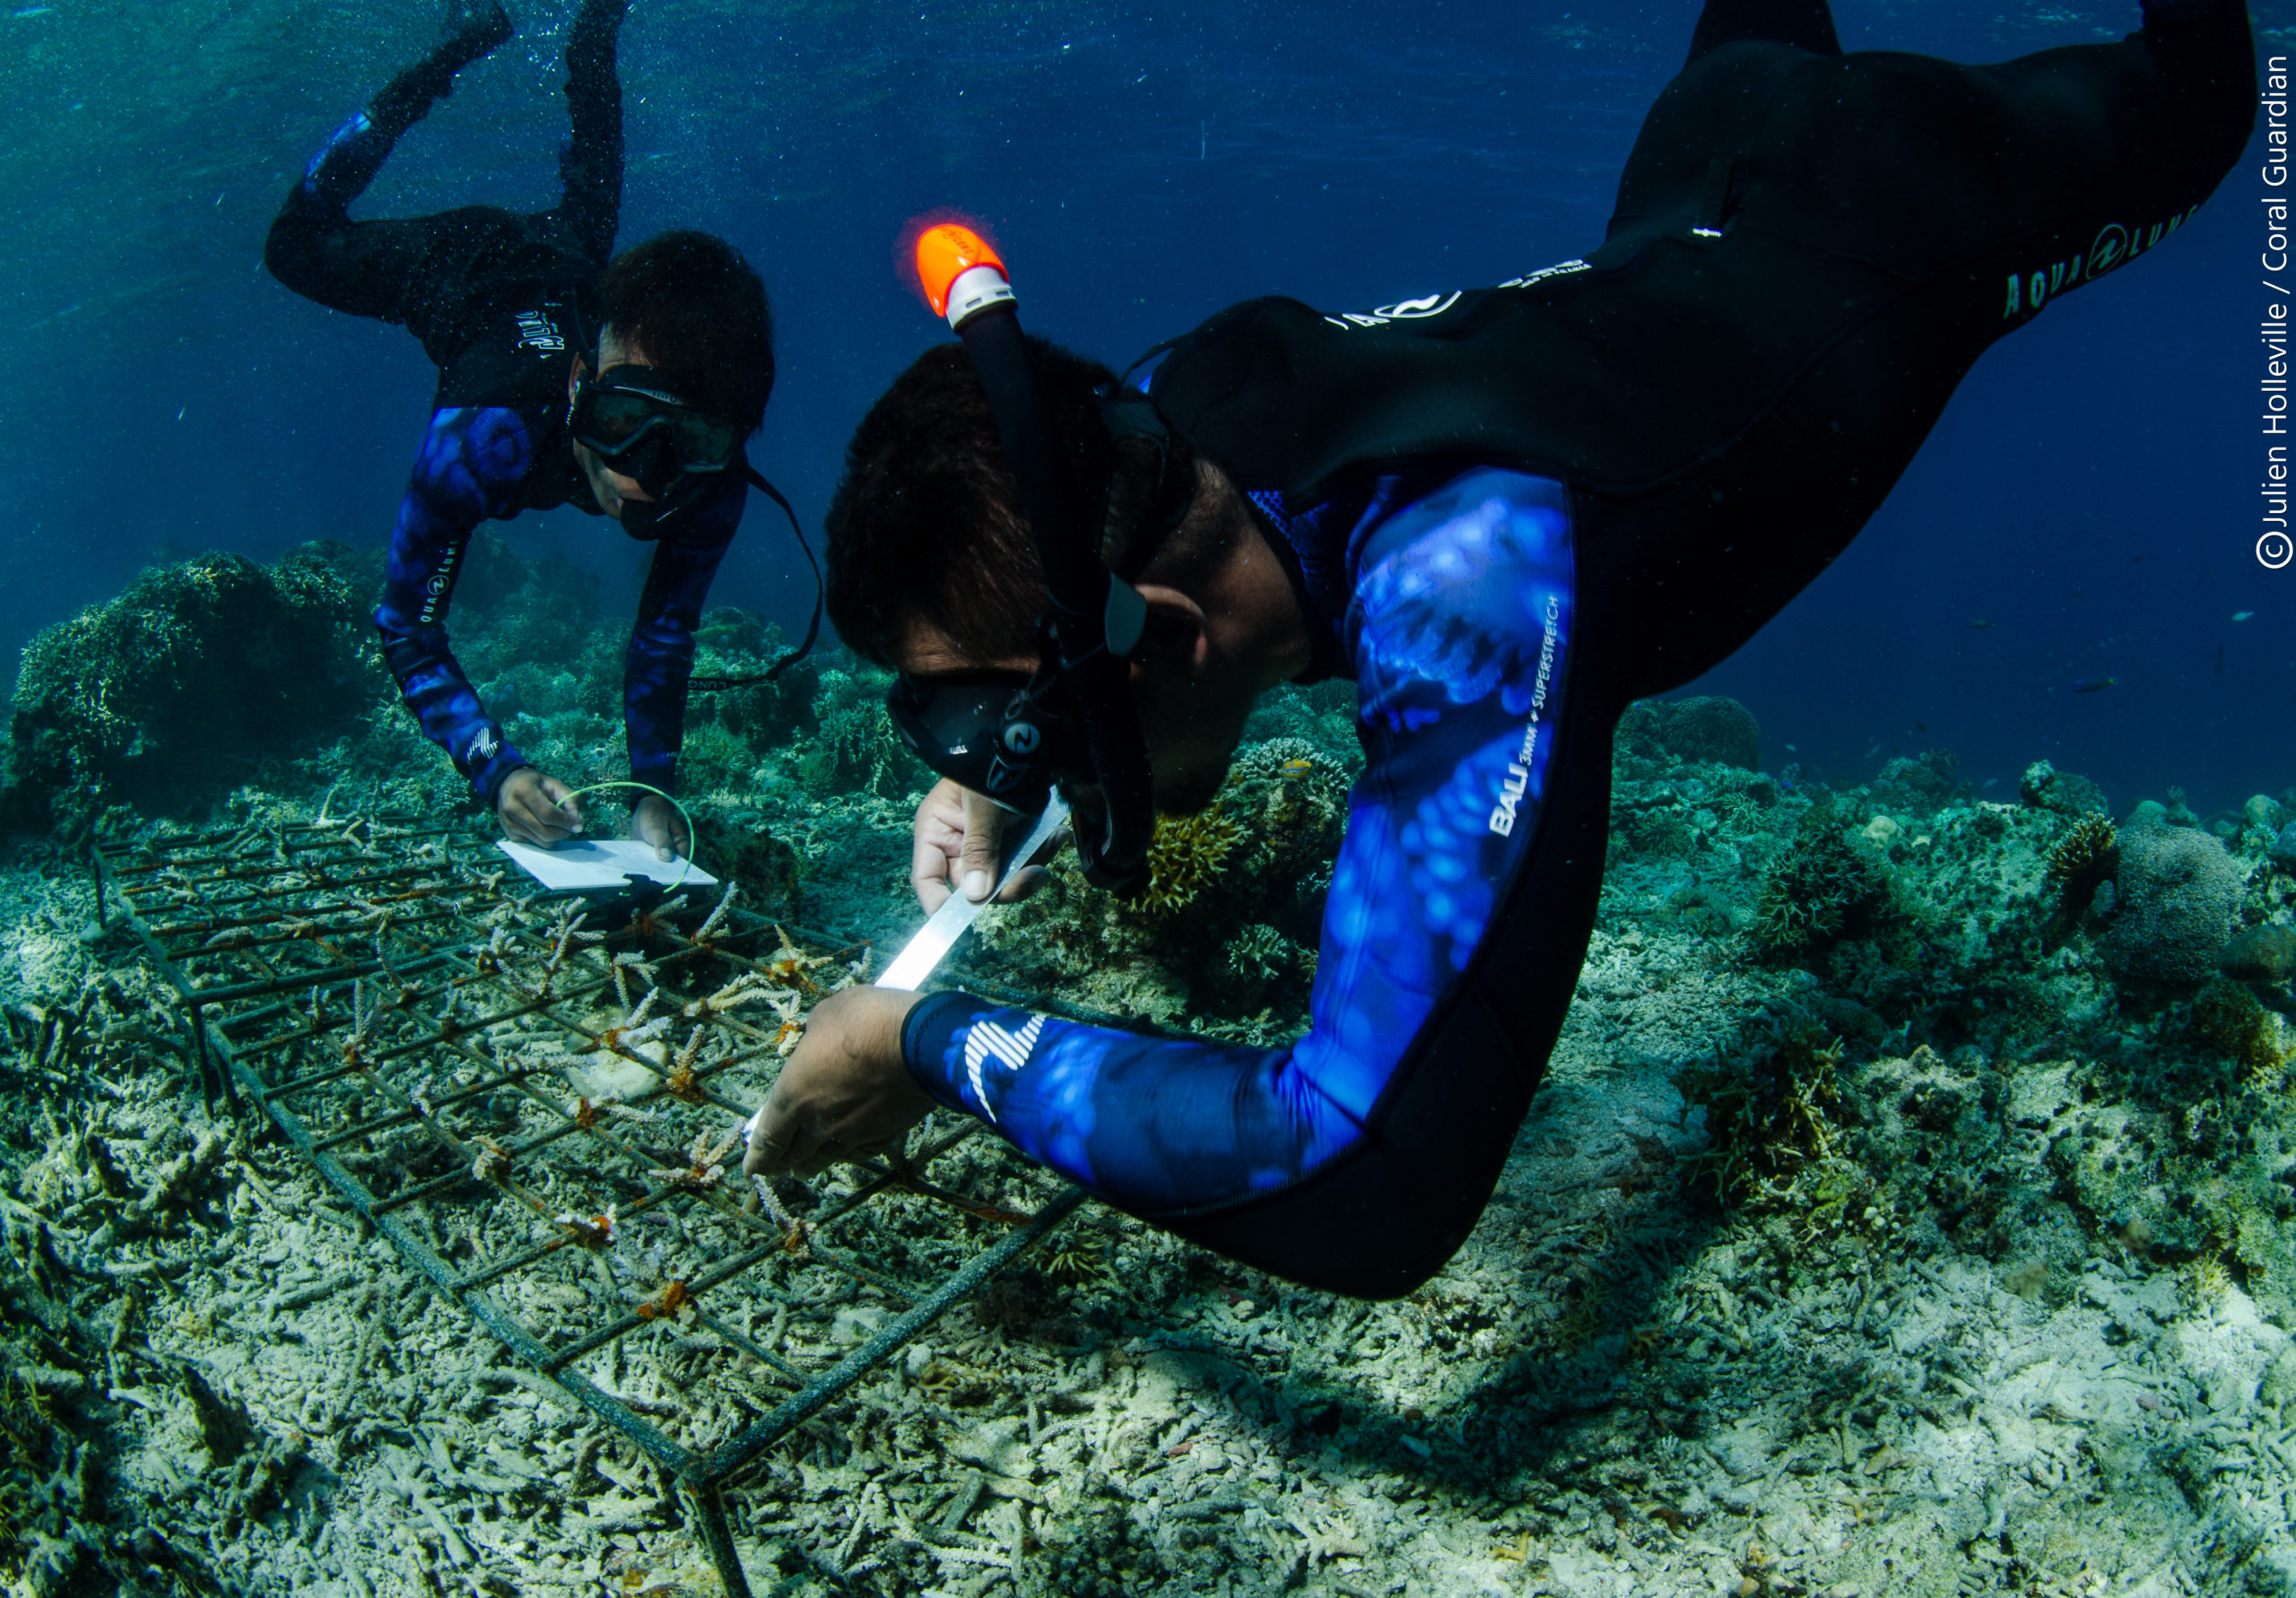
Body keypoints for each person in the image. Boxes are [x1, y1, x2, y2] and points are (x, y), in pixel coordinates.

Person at [746, 0, 2255, 1297]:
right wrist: (1012, 773)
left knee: (2207, 96)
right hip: (1714, 149)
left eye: (996, 727)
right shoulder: (1154, 422)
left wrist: (924, 1043)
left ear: (1165, 634)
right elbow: (1079, 598)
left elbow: (1368, 1174)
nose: (988, 759)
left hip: (1923, 195)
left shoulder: (1471, 592)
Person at [265, 0, 781, 859]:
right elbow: (405, 622)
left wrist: (653, 794)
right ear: (581, 386)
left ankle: (590, 29)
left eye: (685, 445)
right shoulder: (486, 442)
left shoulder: (715, 477)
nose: (646, 480)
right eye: (623, 424)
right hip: (464, 269)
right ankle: (442, 62)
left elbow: (666, 632)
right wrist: (493, 769)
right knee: (293, 245)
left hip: (579, 270)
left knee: (592, 190)